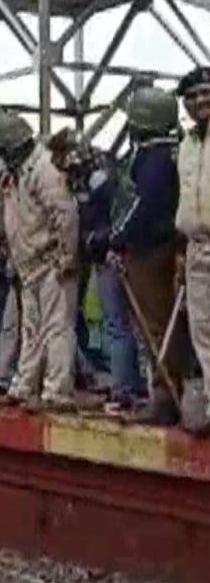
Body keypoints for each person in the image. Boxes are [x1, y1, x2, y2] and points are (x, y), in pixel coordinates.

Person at [0, 114, 79, 410]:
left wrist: (66, 257)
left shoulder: (44, 169)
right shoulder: (16, 175)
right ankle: (24, 384)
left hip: (51, 261)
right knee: (32, 329)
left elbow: (65, 215)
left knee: (56, 329)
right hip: (29, 264)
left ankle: (56, 391)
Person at [108, 86, 182, 422]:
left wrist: (115, 238)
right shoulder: (174, 152)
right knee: (169, 322)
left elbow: (141, 206)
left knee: (156, 326)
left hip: (150, 250)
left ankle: (165, 396)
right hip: (166, 245)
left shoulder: (152, 159)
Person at [175, 66, 210, 433]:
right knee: (203, 331)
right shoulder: (186, 146)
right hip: (197, 247)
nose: (201, 101)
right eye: (193, 96)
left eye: (205, 92)